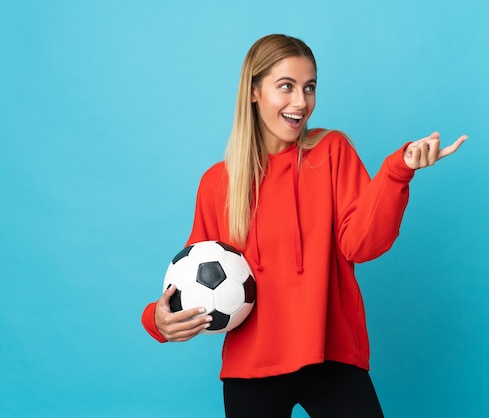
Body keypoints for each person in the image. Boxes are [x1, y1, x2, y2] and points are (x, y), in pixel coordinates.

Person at [141, 34, 467, 417]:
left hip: (332, 355)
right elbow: (192, 273)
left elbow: (361, 244)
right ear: (253, 92)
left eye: (309, 88)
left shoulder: (331, 153)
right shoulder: (218, 183)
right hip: (251, 369)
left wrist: (398, 172)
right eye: (286, 87)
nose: (301, 102)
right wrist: (157, 320)